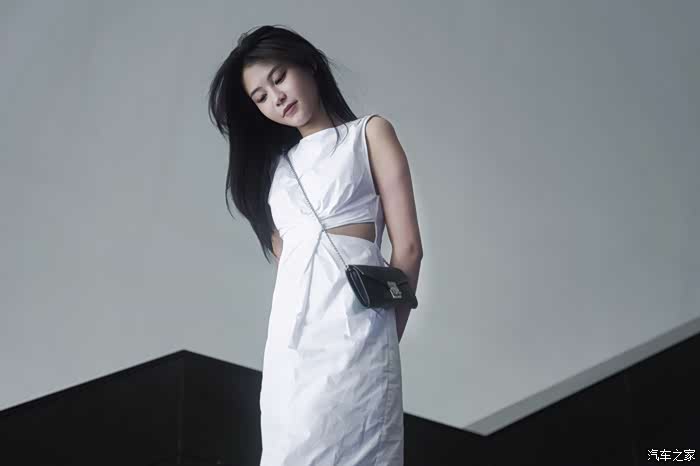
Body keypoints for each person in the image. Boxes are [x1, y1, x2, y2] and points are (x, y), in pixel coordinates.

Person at [207, 24, 423, 466]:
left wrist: (384, 335)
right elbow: (290, 266)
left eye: (279, 77)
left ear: (308, 64)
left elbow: (408, 250)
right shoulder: (277, 172)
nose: (276, 98)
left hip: (356, 331)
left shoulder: (369, 134)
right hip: (290, 346)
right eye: (260, 97)